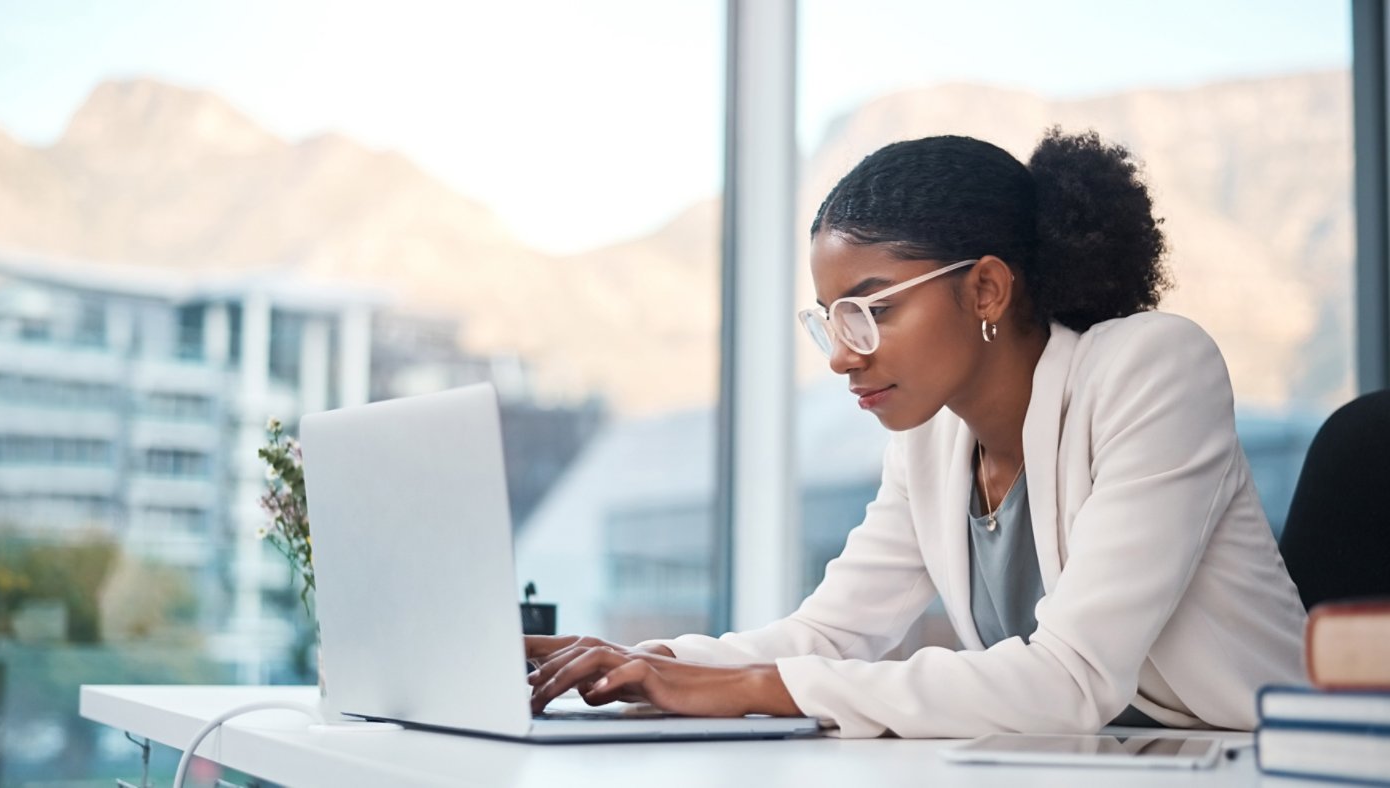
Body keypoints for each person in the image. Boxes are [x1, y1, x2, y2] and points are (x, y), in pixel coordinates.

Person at [525, 129, 1307, 738]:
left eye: (873, 310)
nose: (840, 355)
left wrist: (753, 688)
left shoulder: (1155, 368)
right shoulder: (931, 439)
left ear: (987, 288)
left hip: (1264, 766)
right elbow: (831, 633)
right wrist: (645, 663)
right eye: (830, 320)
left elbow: (1072, 679)